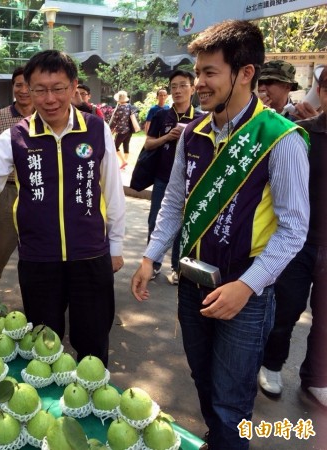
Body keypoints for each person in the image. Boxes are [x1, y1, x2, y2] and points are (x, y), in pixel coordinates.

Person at [131, 20, 309, 450]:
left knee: (232, 399)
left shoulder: (279, 140)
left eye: (210, 72)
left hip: (243, 295)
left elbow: (294, 229)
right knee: (203, 379)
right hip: (193, 285)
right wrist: (150, 256)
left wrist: (246, 287)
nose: (199, 83)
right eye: (198, 73)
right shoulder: (193, 134)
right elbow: (174, 202)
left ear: (245, 73)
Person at [0, 50, 126, 366]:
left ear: (74, 86)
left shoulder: (95, 129)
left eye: (58, 88)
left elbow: (112, 191)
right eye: (40, 90)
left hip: (91, 255)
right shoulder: (15, 137)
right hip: (39, 259)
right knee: (43, 346)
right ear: (28, 91)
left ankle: (94, 403)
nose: (50, 98)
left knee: (93, 341)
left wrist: (115, 245)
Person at [258, 66, 327, 407]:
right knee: (286, 310)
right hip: (298, 242)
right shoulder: (300, 135)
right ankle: (271, 365)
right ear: (322, 91)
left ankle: (316, 378)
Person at [143, 70, 204, 285]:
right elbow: (148, 143)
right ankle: (153, 264)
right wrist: (167, 137)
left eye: (182, 85)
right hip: (162, 178)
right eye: (174, 86)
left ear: (192, 88)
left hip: (190, 181)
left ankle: (178, 267)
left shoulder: (200, 118)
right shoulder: (162, 116)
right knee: (156, 221)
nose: (177, 90)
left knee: (183, 224)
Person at [0, 66, 35, 285]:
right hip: (7, 191)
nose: (24, 90)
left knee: (40, 249)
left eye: (28, 84)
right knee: (0, 249)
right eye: (19, 85)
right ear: (12, 87)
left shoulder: (46, 114)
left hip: (39, 189)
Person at [109, 90, 136, 169]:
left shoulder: (118, 108)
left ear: (118, 99)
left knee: (115, 146)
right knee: (126, 145)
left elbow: (113, 121)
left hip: (121, 131)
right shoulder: (129, 106)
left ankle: (123, 162)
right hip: (129, 130)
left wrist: (110, 130)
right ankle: (124, 163)